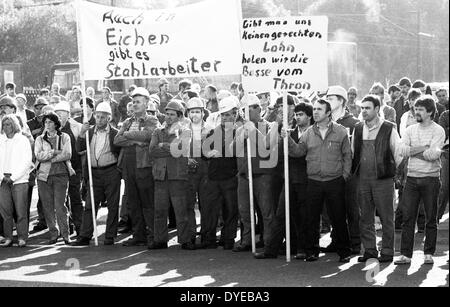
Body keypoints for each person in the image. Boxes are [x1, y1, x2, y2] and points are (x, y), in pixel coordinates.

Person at [283, 98, 353, 263]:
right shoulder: (308, 133)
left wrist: (344, 176)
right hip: (313, 181)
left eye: (319, 109)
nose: (315, 112)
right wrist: (288, 140)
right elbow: (299, 152)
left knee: (338, 218)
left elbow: (347, 156)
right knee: (311, 218)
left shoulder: (341, 131)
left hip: (335, 180)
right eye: (314, 109)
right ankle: (311, 251)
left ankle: (344, 251)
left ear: (328, 113)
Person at [254, 102, 313, 259]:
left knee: (302, 216)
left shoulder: (313, 133)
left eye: (301, 114)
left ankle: (302, 249)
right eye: (297, 115)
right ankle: (271, 250)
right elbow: (278, 150)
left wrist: (288, 141)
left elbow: (301, 152)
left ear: (309, 116)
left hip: (306, 179)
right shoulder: (290, 132)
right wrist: (280, 134)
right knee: (280, 215)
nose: (298, 117)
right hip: (289, 178)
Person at [352, 95, 405, 263]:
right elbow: (354, 153)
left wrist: (396, 176)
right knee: (365, 216)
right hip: (363, 179)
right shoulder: (358, 128)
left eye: (367, 108)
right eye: (362, 108)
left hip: (383, 179)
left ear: (377, 109)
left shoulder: (389, 128)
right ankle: (369, 250)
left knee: (386, 216)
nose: (364, 111)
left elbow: (399, 154)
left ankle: (388, 251)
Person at [395, 96, 446, 265]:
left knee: (431, 218)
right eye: (416, 109)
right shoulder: (410, 129)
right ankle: (405, 254)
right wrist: (423, 149)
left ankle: (428, 254)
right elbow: (401, 149)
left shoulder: (438, 130)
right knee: (408, 218)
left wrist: (413, 151)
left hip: (431, 179)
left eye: (421, 110)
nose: (416, 112)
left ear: (430, 112)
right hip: (411, 178)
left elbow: (434, 155)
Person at [114, 87, 159, 247]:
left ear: (147, 103)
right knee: (133, 202)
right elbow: (117, 140)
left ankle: (154, 235)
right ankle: (138, 235)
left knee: (148, 202)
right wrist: (135, 141)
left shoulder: (152, 120)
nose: (135, 104)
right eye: (133, 102)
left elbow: (148, 135)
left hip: (144, 165)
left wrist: (127, 136)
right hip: (128, 165)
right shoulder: (128, 121)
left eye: (138, 102)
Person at [71, 103, 121, 246]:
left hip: (111, 171)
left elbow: (119, 151)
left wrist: (118, 171)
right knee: (90, 205)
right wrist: (81, 134)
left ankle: (110, 236)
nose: (99, 119)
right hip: (93, 173)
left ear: (109, 118)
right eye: (97, 116)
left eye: (103, 117)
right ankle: (85, 236)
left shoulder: (115, 133)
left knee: (112, 205)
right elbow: (79, 149)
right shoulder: (89, 131)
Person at [232, 94, 278, 253]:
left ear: (258, 108)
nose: (245, 113)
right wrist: (242, 137)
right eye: (242, 110)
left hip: (263, 175)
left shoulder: (269, 126)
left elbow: (266, 148)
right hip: (244, 175)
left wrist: (253, 131)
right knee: (245, 212)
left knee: (267, 212)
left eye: (248, 109)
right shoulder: (240, 128)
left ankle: (269, 242)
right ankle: (247, 240)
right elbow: (232, 151)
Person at [149, 100, 195, 250]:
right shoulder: (158, 131)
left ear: (179, 116)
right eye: (167, 114)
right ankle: (160, 240)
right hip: (161, 176)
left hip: (177, 176)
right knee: (160, 210)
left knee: (181, 210)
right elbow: (152, 150)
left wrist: (163, 146)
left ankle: (185, 240)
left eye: (172, 114)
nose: (168, 117)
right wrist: (170, 148)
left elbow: (181, 149)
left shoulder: (185, 131)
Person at [325, 86, 361, 254]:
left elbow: (358, 151)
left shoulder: (354, 124)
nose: (327, 101)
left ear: (341, 101)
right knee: (333, 209)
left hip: (350, 174)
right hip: (329, 173)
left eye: (331, 98)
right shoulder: (323, 122)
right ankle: (337, 239)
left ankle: (355, 242)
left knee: (352, 209)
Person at [201, 96, 240, 250]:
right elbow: (203, 152)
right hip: (213, 177)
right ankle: (208, 239)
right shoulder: (213, 132)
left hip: (231, 177)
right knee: (210, 210)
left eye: (229, 114)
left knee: (231, 210)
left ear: (235, 114)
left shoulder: (239, 132)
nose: (225, 117)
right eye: (223, 115)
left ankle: (228, 239)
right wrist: (209, 153)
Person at [35, 112, 73, 245]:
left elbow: (67, 154)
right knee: (47, 206)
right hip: (43, 177)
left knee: (60, 205)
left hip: (61, 175)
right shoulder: (39, 139)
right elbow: (38, 156)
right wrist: (53, 152)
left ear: (56, 124)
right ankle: (53, 233)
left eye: (50, 122)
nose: (47, 124)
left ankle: (66, 234)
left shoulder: (64, 137)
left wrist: (50, 158)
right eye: (46, 122)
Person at [0, 115, 33, 247]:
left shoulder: (23, 140)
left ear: (14, 125)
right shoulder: (1, 140)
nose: (6, 127)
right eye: (4, 124)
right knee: (5, 212)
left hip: (19, 181)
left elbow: (26, 161)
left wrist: (13, 178)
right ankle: (8, 237)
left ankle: (22, 237)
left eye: (9, 124)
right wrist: (3, 177)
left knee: (20, 211)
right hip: (2, 180)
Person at [54, 101, 83, 237]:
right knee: (61, 201)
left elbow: (82, 146)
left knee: (75, 198)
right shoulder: (51, 128)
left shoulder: (76, 127)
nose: (59, 116)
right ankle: (66, 227)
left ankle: (80, 227)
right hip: (59, 169)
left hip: (75, 168)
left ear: (68, 115)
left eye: (62, 114)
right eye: (57, 114)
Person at [185, 98, 209, 246]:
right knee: (188, 203)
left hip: (205, 166)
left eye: (198, 111)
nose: (195, 114)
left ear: (203, 113)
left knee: (206, 204)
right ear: (188, 113)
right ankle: (190, 235)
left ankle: (206, 235)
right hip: (188, 168)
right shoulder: (181, 128)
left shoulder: (209, 128)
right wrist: (186, 159)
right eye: (192, 111)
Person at [438, 109, 449, 221]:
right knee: (444, 187)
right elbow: (443, 133)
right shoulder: (445, 115)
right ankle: (436, 217)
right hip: (447, 153)